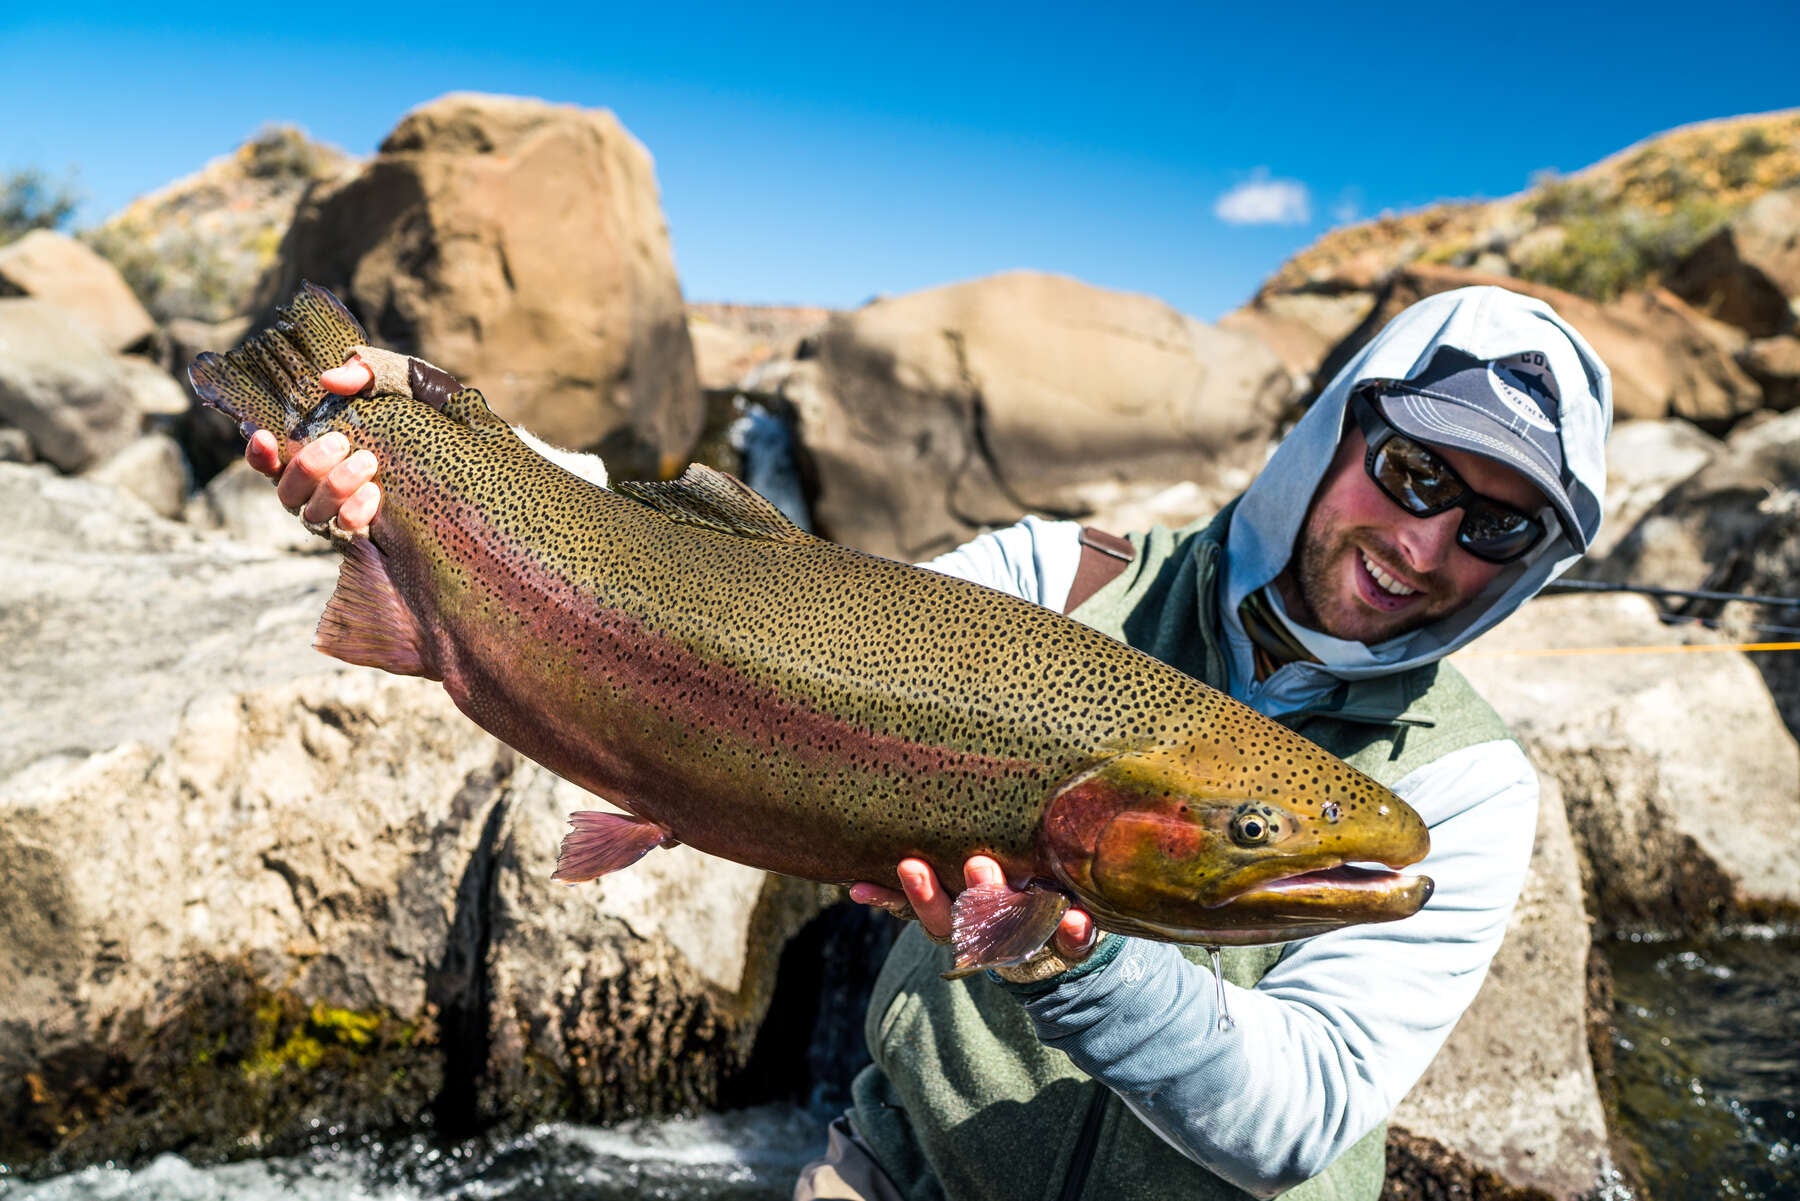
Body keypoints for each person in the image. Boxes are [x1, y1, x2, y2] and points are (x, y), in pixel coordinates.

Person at [256, 285, 1612, 1201]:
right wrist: (433, 440)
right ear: (1335, 437)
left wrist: (1071, 965)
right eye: (1414, 472)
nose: (1423, 544)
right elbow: (729, 596)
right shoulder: (1063, 574)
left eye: (1495, 527)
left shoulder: (1463, 786)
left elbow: (1302, 1116)